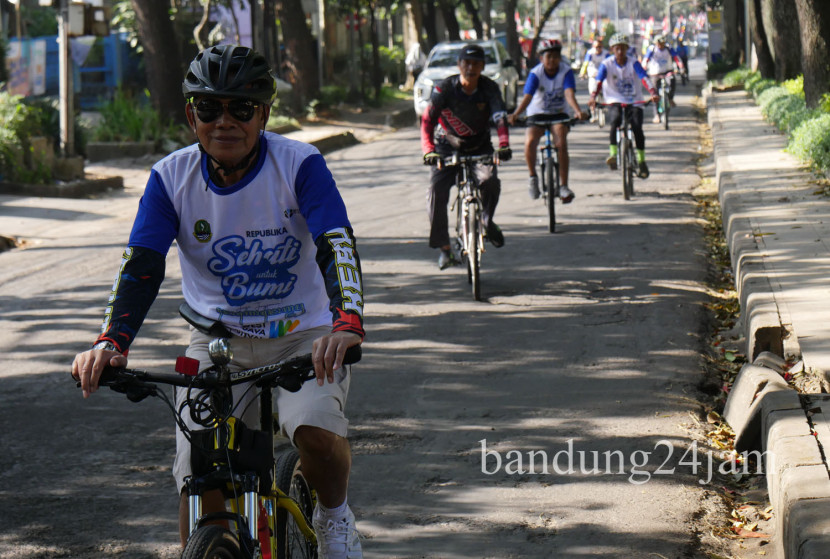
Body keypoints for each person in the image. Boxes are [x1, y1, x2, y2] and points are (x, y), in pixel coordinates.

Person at [70, 45, 365, 559]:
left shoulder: (300, 164)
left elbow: (334, 241)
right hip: (216, 343)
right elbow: (141, 265)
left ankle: (334, 517)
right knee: (203, 484)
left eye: (241, 108)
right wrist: (110, 342)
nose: (224, 122)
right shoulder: (171, 177)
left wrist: (347, 322)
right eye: (209, 109)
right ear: (191, 115)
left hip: (304, 336)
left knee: (315, 434)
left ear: (264, 114)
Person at [421, 43, 512, 270]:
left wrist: (503, 145)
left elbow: (500, 118)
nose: (471, 68)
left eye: (476, 63)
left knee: (490, 182)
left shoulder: (489, 88)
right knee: (435, 191)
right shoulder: (444, 89)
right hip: (445, 147)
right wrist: (428, 149)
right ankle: (445, 249)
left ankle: (487, 222)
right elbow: (427, 121)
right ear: (459, 65)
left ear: (482, 66)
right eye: (466, 63)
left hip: (480, 147)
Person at [509, 39, 587, 202]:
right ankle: (533, 178)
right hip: (537, 113)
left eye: (556, 56)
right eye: (548, 56)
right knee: (530, 141)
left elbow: (569, 94)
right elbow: (528, 97)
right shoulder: (535, 73)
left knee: (561, 143)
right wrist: (516, 114)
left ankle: (563, 185)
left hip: (558, 114)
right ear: (541, 58)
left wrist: (578, 111)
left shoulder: (565, 72)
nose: (552, 60)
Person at [588, 33, 659, 179]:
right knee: (614, 121)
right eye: (617, 49)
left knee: (637, 128)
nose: (620, 52)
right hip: (614, 100)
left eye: (623, 49)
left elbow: (644, 78)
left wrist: (652, 92)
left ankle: (641, 160)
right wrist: (593, 97)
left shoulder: (633, 63)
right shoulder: (606, 64)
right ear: (613, 50)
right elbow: (598, 81)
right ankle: (613, 154)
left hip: (634, 100)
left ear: (627, 49)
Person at [643, 34, 685, 123]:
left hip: (667, 71)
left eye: (662, 43)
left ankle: (670, 98)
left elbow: (676, 58)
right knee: (655, 94)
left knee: (672, 80)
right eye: (658, 43)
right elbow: (645, 59)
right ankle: (656, 115)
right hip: (655, 73)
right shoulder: (652, 49)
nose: (660, 45)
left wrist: (681, 67)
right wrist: (644, 69)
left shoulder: (668, 48)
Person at [579, 37, 610, 123]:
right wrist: (582, 73)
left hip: (603, 76)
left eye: (600, 47)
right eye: (596, 47)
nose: (598, 49)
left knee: (606, 91)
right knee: (592, 95)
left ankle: (605, 104)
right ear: (593, 47)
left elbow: (610, 63)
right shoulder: (590, 53)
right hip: (593, 76)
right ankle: (593, 114)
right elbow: (585, 64)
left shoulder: (606, 53)